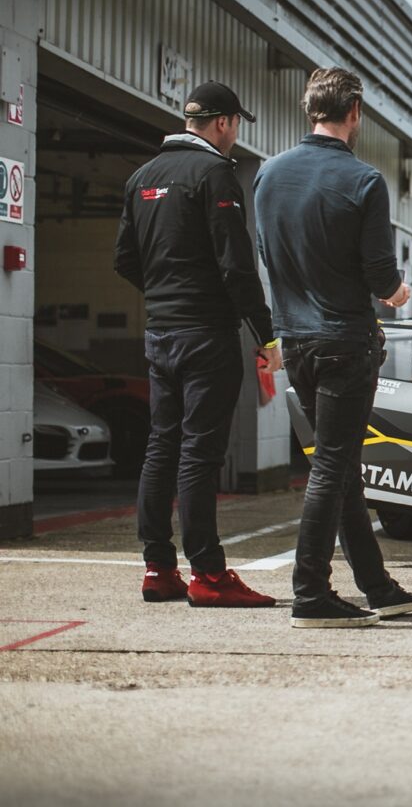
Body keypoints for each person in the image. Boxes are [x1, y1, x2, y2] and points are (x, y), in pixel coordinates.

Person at [254, 67, 412, 629]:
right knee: (332, 465)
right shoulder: (364, 181)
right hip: (346, 341)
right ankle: (310, 592)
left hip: (296, 342)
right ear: (354, 112)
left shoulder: (268, 174)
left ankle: (378, 587)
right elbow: (381, 277)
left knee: (342, 463)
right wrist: (399, 293)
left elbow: (268, 254)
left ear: (310, 110)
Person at [113, 82, 280, 609]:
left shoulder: (141, 177)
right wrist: (266, 333)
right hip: (206, 334)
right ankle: (208, 574)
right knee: (200, 453)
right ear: (225, 122)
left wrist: (166, 295)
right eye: (236, 126)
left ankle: (158, 568)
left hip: (160, 333)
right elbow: (236, 265)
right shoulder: (214, 174)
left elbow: (124, 259)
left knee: (161, 447)